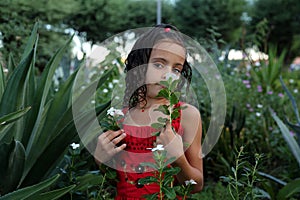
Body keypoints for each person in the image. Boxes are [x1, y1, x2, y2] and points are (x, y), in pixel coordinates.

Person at [94, 24, 203, 199]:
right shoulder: (120, 118)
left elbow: (197, 185)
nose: (168, 75)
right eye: (159, 64)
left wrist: (178, 158)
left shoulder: (187, 116)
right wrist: (100, 160)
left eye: (176, 69)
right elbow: (115, 180)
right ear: (139, 65)